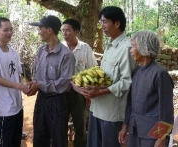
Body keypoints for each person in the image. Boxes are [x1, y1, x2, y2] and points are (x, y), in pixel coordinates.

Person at [79, 6, 136, 146]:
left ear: (117, 23)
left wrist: (101, 91)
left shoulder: (127, 48)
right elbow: (105, 76)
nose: (102, 26)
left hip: (112, 115)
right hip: (97, 109)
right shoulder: (110, 45)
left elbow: (126, 82)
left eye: (105, 22)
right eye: (101, 22)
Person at [118, 30, 174, 147]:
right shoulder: (137, 71)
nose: (131, 50)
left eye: (133, 46)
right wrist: (125, 126)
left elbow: (166, 109)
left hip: (152, 134)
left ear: (144, 48)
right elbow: (130, 103)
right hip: (135, 129)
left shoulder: (160, 74)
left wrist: (161, 137)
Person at [28, 15, 75, 147]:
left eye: (40, 28)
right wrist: (33, 84)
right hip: (41, 100)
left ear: (49, 30)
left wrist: (39, 85)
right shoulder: (41, 51)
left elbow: (64, 84)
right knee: (39, 136)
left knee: (58, 139)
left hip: (57, 102)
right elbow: (36, 74)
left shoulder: (66, 55)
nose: (38, 32)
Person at [0, 17, 29, 147]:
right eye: (5, 30)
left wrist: (25, 86)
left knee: (15, 141)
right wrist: (19, 86)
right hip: (4, 108)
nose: (9, 33)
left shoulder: (14, 52)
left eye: (11, 30)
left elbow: (17, 75)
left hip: (17, 105)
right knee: (5, 143)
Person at [61, 18, 97, 146]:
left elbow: (92, 70)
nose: (65, 34)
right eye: (63, 30)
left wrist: (88, 95)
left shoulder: (85, 48)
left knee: (80, 124)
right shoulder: (60, 48)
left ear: (76, 31)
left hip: (79, 93)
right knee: (60, 123)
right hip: (62, 91)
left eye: (68, 30)